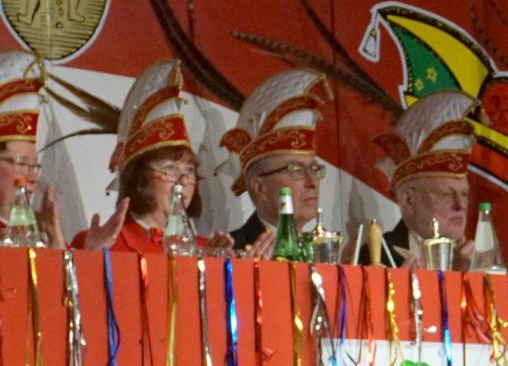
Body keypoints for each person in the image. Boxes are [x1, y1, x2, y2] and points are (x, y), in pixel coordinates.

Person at [72, 60, 206, 255]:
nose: (183, 181)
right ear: (140, 178)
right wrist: (91, 255)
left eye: (189, 170)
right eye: (169, 168)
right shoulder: (103, 243)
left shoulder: (205, 249)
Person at [220, 69, 333, 259]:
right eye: (296, 169)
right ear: (260, 188)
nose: (312, 182)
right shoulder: (233, 254)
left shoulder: (323, 251)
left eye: (314, 169)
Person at [364, 90, 478, 268]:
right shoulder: (376, 258)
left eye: (464, 194)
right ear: (408, 200)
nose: (460, 205)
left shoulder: (479, 263)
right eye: (446, 194)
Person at [0, 50, 68, 248]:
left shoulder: (40, 239)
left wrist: (56, 241)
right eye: (21, 163)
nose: (33, 178)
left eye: (35, 165)